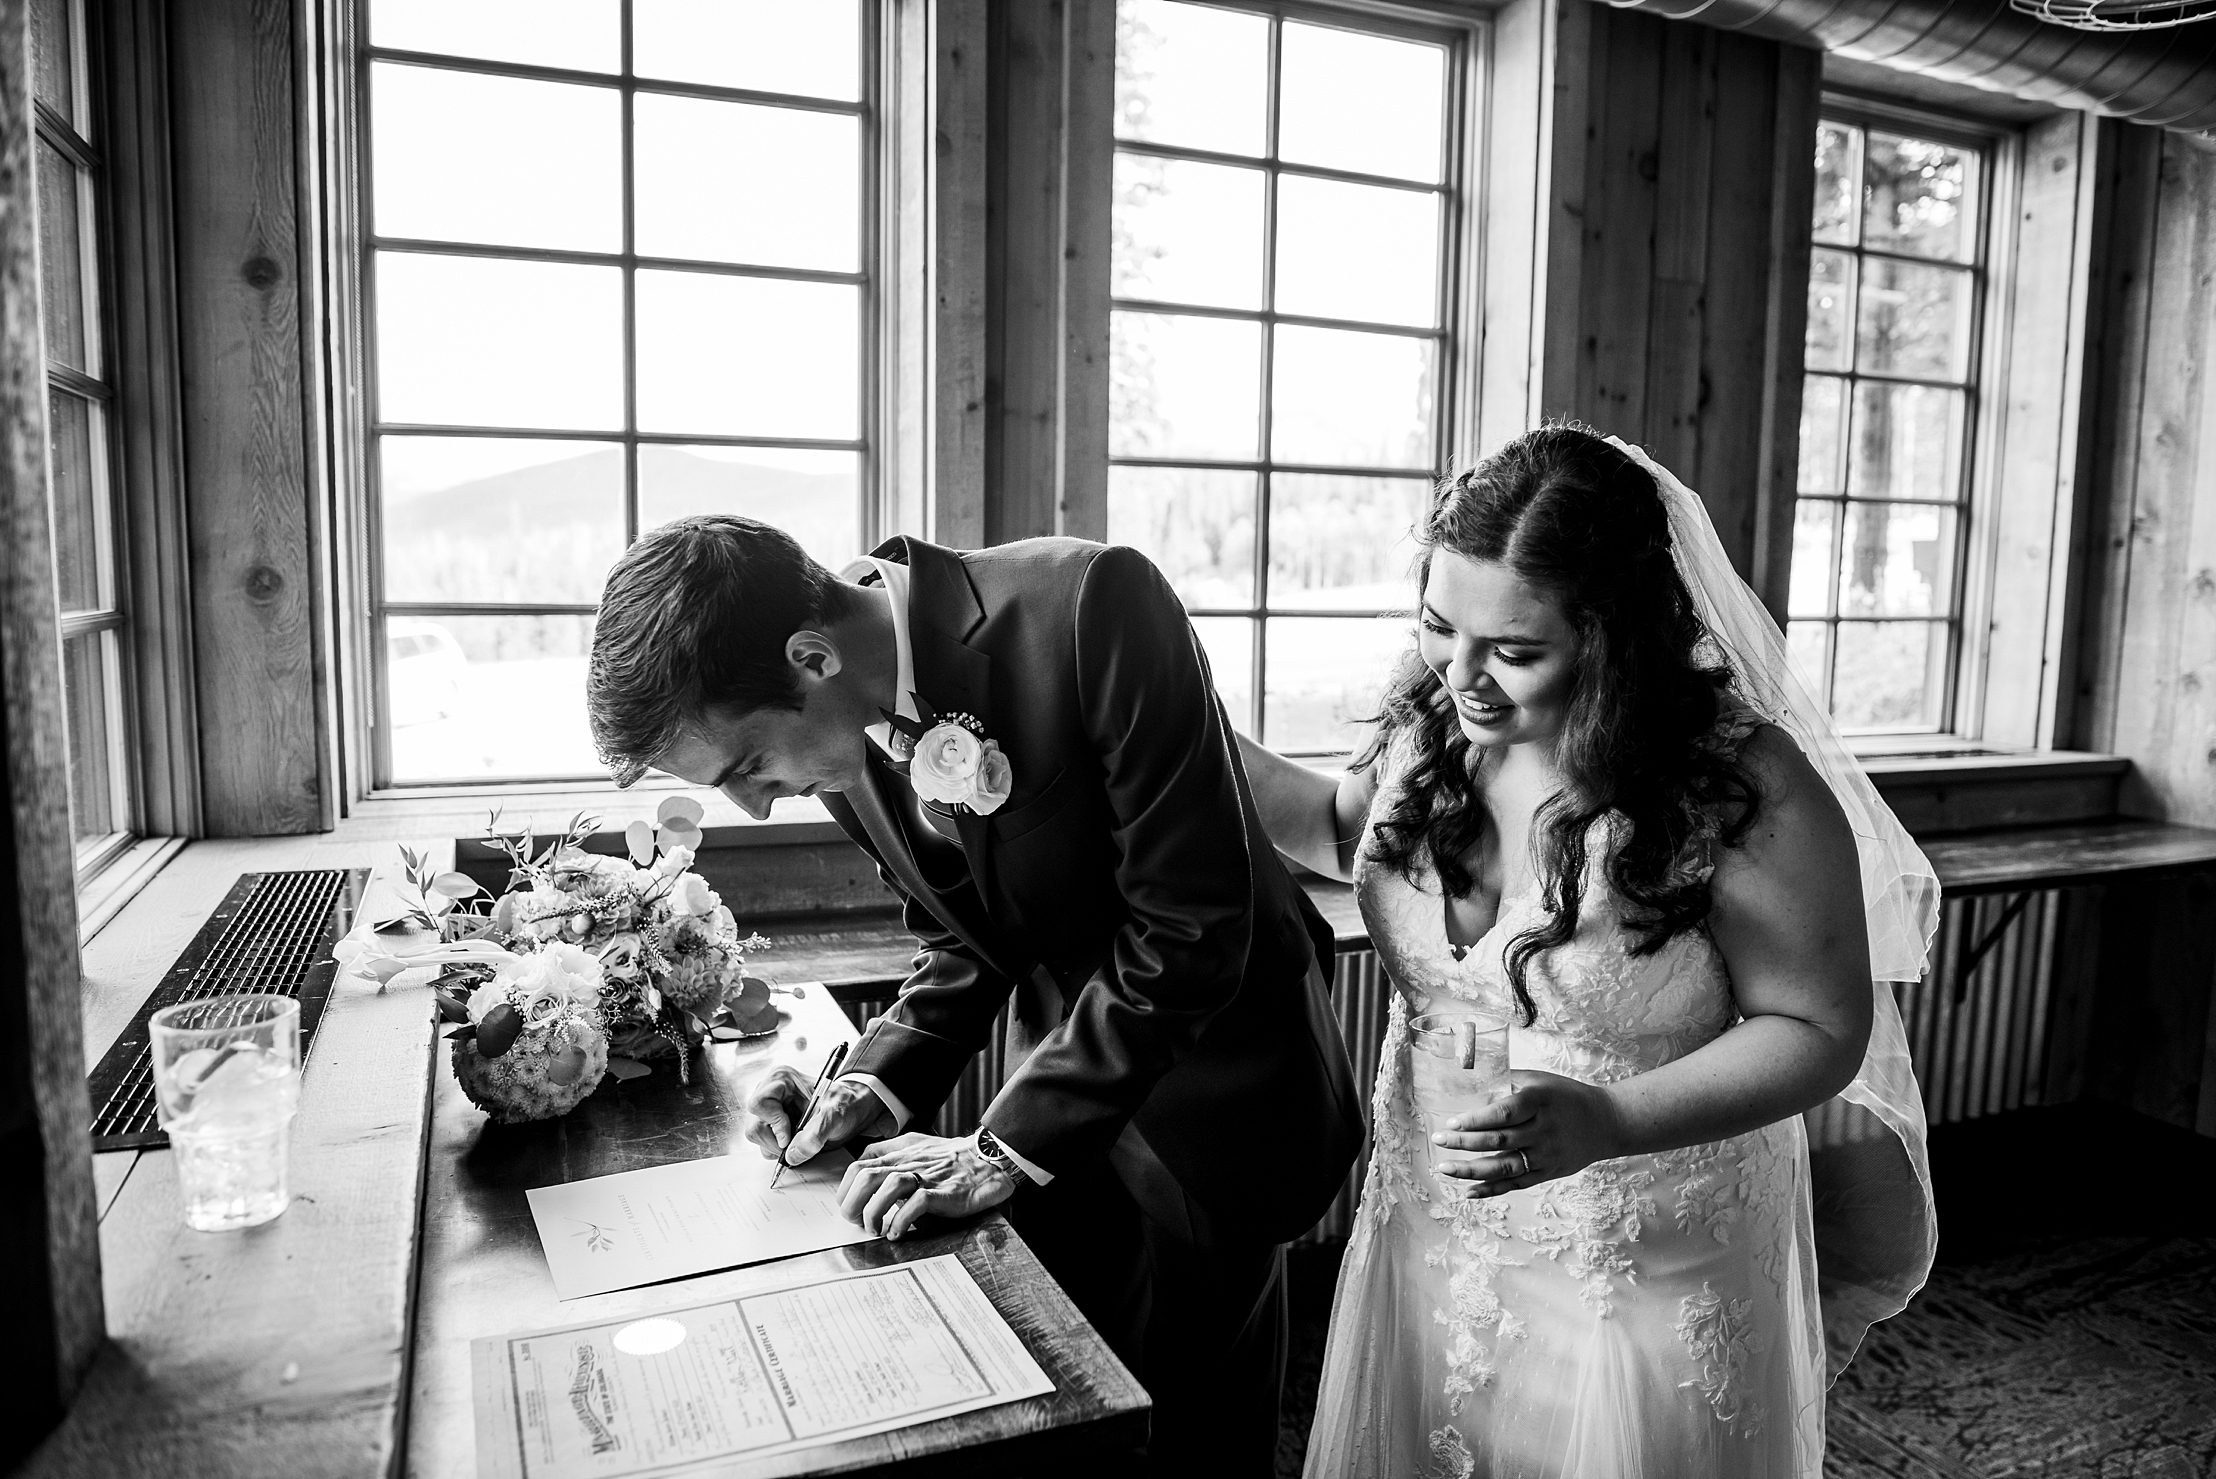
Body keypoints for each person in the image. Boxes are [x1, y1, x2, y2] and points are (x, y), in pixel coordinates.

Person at [586, 519, 1365, 1478]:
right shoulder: (838, 720)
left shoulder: (1094, 607)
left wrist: (999, 1146)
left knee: (1206, 1422)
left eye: (747, 767)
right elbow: (962, 932)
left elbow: (1193, 926)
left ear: (812, 655)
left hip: (1223, 1088)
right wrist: (868, 1084)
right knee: (1077, 1401)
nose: (755, 804)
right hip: (1067, 1104)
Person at [1237, 424, 1939, 1477]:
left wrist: (1609, 1120)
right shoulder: (1438, 718)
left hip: (1641, 1251)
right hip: (1433, 1219)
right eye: (1438, 626)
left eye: (1515, 652)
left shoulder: (1735, 784)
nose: (1461, 678)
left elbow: (1818, 1029)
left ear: (1615, 636)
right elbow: (1347, 828)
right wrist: (1161, 704)